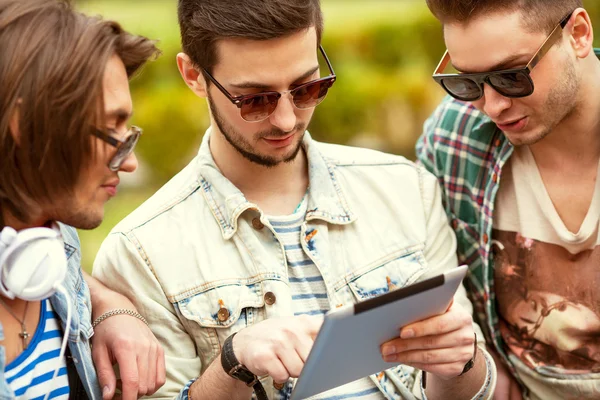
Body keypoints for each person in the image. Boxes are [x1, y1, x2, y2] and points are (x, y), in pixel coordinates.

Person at [93, 0, 497, 399]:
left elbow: (468, 389)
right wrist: (233, 362)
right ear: (194, 76)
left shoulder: (406, 188)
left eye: (307, 88)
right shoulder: (142, 252)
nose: (287, 120)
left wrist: (462, 360)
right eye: (254, 99)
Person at [416, 0, 600, 399]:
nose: (493, 105)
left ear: (579, 34)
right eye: (467, 83)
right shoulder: (453, 140)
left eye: (513, 76)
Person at [0, 0, 165, 398]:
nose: (130, 164)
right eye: (112, 131)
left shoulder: (53, 247)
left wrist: (111, 304)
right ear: (27, 127)